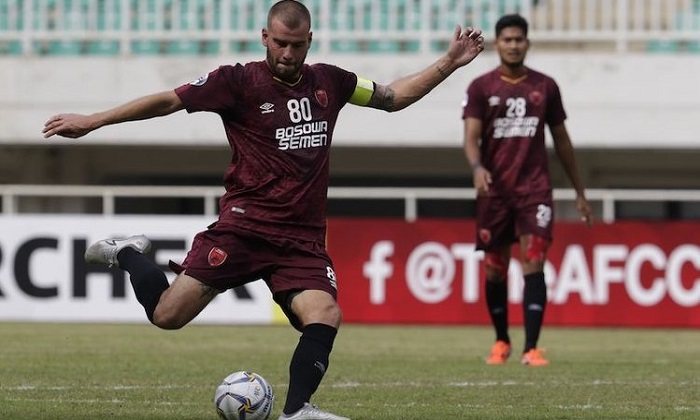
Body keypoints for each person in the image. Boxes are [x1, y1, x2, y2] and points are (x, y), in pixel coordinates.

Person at [43, 1, 485, 418]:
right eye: (279, 43)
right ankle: (126, 252)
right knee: (166, 316)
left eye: (296, 45)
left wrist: (448, 63)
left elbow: (393, 97)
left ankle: (297, 410)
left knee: (325, 313)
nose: (287, 53)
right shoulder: (235, 82)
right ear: (264, 37)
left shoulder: (332, 81)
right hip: (243, 230)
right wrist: (94, 120)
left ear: (310, 40)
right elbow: (168, 101)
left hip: (301, 240)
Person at [461, 14, 592, 367]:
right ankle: (502, 341)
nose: (514, 45)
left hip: (534, 191)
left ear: (527, 43)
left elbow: (562, 140)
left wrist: (579, 191)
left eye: (519, 39)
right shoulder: (480, 87)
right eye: (507, 39)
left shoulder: (545, 87)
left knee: (534, 261)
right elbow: (470, 139)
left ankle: (531, 348)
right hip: (495, 192)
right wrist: (477, 168)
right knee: (494, 269)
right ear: (498, 44)